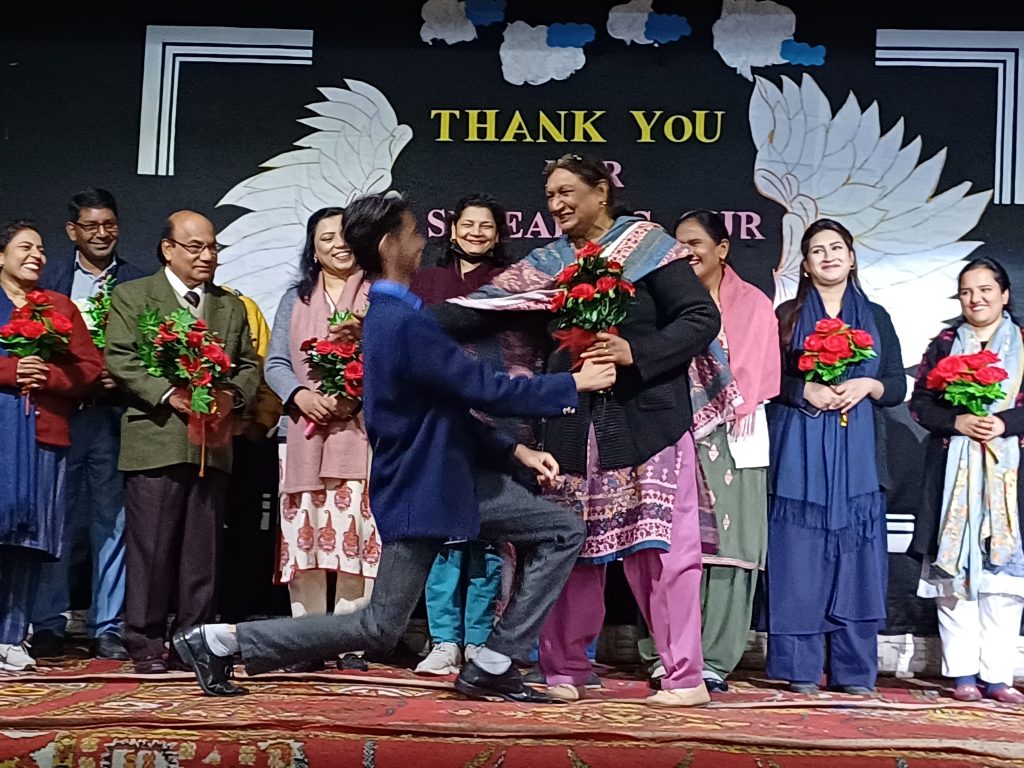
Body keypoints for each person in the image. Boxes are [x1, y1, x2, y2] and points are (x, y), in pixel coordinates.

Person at [171, 192, 615, 701]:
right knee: (381, 626)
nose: (422, 241)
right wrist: (573, 384)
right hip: (424, 483)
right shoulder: (400, 320)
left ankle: (493, 663)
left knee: (558, 531)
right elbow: (482, 388)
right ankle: (222, 640)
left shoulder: (391, 315)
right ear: (388, 244)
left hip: (440, 477)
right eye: (413, 232)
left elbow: (445, 408)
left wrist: (512, 451)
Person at [439, 155, 721, 706]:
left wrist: (634, 351)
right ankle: (566, 670)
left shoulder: (650, 248)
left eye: (567, 191)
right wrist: (396, 321)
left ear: (601, 191)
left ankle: (685, 676)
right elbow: (482, 310)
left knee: (661, 554)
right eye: (550, 195)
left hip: (648, 422)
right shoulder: (548, 263)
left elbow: (700, 319)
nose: (556, 204)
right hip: (571, 427)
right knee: (568, 546)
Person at [104, 210, 260, 673]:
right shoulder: (134, 296)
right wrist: (169, 393)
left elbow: (248, 365)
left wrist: (232, 395)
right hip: (156, 439)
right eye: (196, 247)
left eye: (213, 247)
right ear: (168, 249)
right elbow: (121, 357)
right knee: (151, 548)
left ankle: (194, 640)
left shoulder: (230, 306)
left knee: (202, 552)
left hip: (212, 444)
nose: (207, 256)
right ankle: (145, 640)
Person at [767, 218, 905, 694]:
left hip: (859, 460)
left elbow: (896, 385)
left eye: (836, 248)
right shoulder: (786, 315)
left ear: (851, 258)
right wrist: (803, 389)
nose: (828, 256)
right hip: (798, 455)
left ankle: (854, 671)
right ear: (805, 265)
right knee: (798, 559)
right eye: (817, 250)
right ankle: (798, 668)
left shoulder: (876, 316)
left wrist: (868, 384)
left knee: (858, 562)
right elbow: (766, 378)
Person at [29, 188, 147, 663]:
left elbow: (152, 351)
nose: (102, 233)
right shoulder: (48, 282)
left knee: (112, 522)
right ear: (72, 231)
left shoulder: (138, 282)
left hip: (114, 416)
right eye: (91, 225)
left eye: (109, 224)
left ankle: (108, 625)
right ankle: (48, 622)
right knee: (55, 521)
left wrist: (122, 373)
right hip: (62, 415)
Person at [264, 206, 380, 669]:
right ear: (313, 249)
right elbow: (275, 363)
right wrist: (300, 396)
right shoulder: (295, 299)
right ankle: (305, 643)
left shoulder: (378, 296)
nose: (339, 244)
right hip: (302, 435)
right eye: (327, 237)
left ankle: (351, 643)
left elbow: (392, 357)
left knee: (356, 541)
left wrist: (356, 396)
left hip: (360, 434)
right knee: (306, 542)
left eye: (346, 235)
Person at [909, 257, 1024, 704]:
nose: (975, 299)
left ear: (1004, 294)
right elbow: (920, 404)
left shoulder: (1023, 343)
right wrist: (956, 422)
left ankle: (999, 676)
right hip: (951, 472)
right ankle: (962, 674)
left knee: (1003, 580)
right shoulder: (944, 345)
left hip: (1011, 478)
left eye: (985, 290)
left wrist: (1005, 423)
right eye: (966, 291)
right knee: (954, 576)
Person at [675, 209, 780, 692]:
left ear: (722, 249)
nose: (686, 252)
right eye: (679, 244)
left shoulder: (754, 305)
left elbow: (761, 377)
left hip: (738, 433)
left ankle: (715, 658)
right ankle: (668, 653)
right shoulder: (664, 302)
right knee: (674, 546)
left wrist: (727, 404)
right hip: (677, 433)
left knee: (732, 546)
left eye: (696, 243)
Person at [410, 194, 514, 675]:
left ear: (498, 235)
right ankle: (443, 641)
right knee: (445, 537)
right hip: (437, 420)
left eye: (485, 226)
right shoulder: (426, 282)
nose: (475, 232)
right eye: (467, 224)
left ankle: (478, 639)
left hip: (496, 421)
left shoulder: (511, 283)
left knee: (486, 536)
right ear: (452, 230)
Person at [0, 220, 103, 670]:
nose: (36, 256)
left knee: (28, 539)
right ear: (1, 255)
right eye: (25, 247)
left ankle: (11, 636)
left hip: (44, 438)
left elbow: (90, 367)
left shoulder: (58, 306)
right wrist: (12, 371)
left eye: (41, 249)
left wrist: (49, 376)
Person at [217, 282, 286, 623]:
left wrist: (260, 423)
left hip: (244, 438)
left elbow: (266, 372)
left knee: (245, 529)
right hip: (195, 441)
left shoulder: (244, 306)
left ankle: (237, 612)